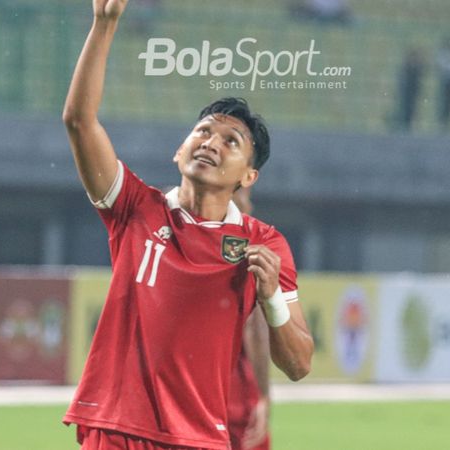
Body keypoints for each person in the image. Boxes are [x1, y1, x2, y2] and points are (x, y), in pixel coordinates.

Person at [60, 1, 314, 449]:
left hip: (198, 439)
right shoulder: (135, 208)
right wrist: (104, 24)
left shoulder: (263, 242)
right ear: (178, 152)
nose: (211, 144)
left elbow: (299, 364)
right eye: (202, 132)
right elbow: (80, 122)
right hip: (116, 429)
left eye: (230, 141)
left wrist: (272, 295)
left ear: (247, 177)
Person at [228, 186, 272, 450]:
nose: (250, 206)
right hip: (234, 393)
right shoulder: (246, 249)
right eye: (245, 195)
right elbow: (255, 330)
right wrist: (264, 396)